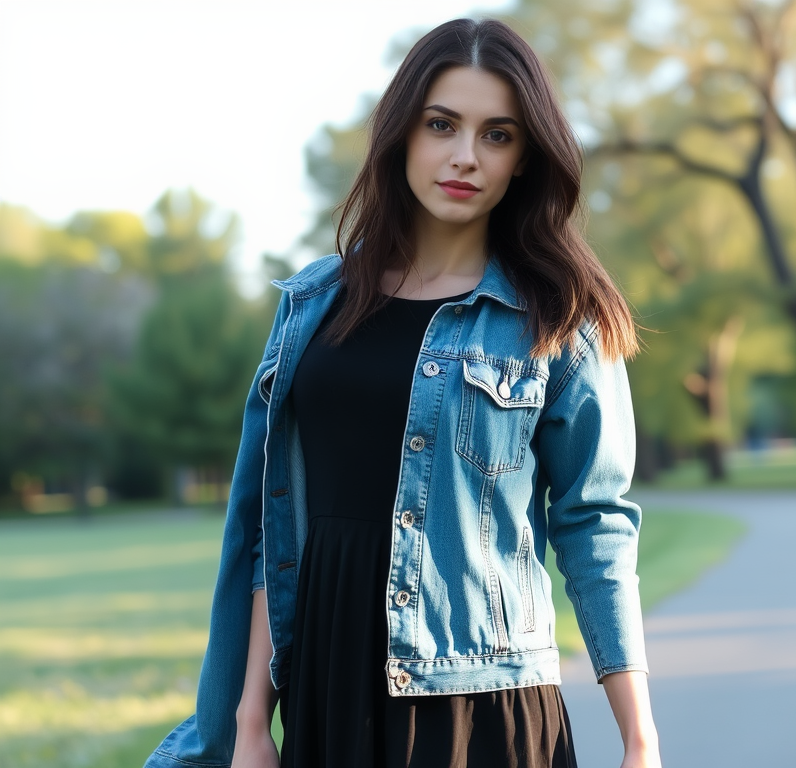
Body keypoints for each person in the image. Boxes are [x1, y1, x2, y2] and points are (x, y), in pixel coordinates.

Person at [145, 17, 661, 768]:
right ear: (402, 136)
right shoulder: (311, 309)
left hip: (482, 697)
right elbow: (271, 528)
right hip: (328, 691)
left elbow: (595, 523)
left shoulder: (558, 319)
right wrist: (250, 721)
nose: (464, 156)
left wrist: (640, 739)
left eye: (497, 135)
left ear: (524, 157)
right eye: (442, 125)